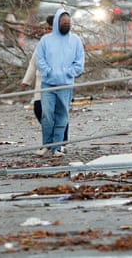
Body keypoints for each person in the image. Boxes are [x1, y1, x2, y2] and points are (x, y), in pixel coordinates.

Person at [34, 9, 85, 157]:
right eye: (63, 22)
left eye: (68, 22)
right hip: (48, 84)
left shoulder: (75, 40)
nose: (66, 24)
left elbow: (79, 61)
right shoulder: (46, 40)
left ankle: (57, 147)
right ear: (57, 22)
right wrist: (49, 72)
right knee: (47, 115)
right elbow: (40, 60)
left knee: (62, 115)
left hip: (66, 84)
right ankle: (46, 145)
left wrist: (69, 73)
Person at [21, 15, 70, 145]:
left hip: (58, 84)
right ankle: (51, 140)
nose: (47, 31)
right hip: (41, 84)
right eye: (46, 29)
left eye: (50, 29)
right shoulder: (42, 43)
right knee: (39, 109)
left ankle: (60, 142)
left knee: (59, 113)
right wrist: (26, 81)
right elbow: (33, 63)